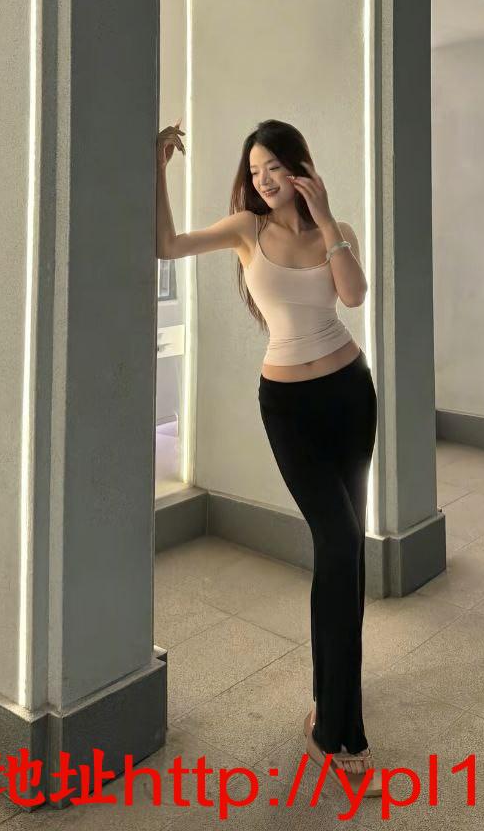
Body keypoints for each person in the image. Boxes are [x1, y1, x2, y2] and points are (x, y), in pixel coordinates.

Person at [156, 117, 380, 798]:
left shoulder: (334, 231)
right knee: (339, 544)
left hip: (350, 396)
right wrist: (154, 168)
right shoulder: (245, 230)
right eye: (254, 173)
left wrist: (328, 217)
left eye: (273, 168)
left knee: (345, 555)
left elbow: (353, 295)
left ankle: (330, 711)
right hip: (288, 408)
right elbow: (167, 246)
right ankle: (339, 732)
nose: (263, 181)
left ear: (298, 166)